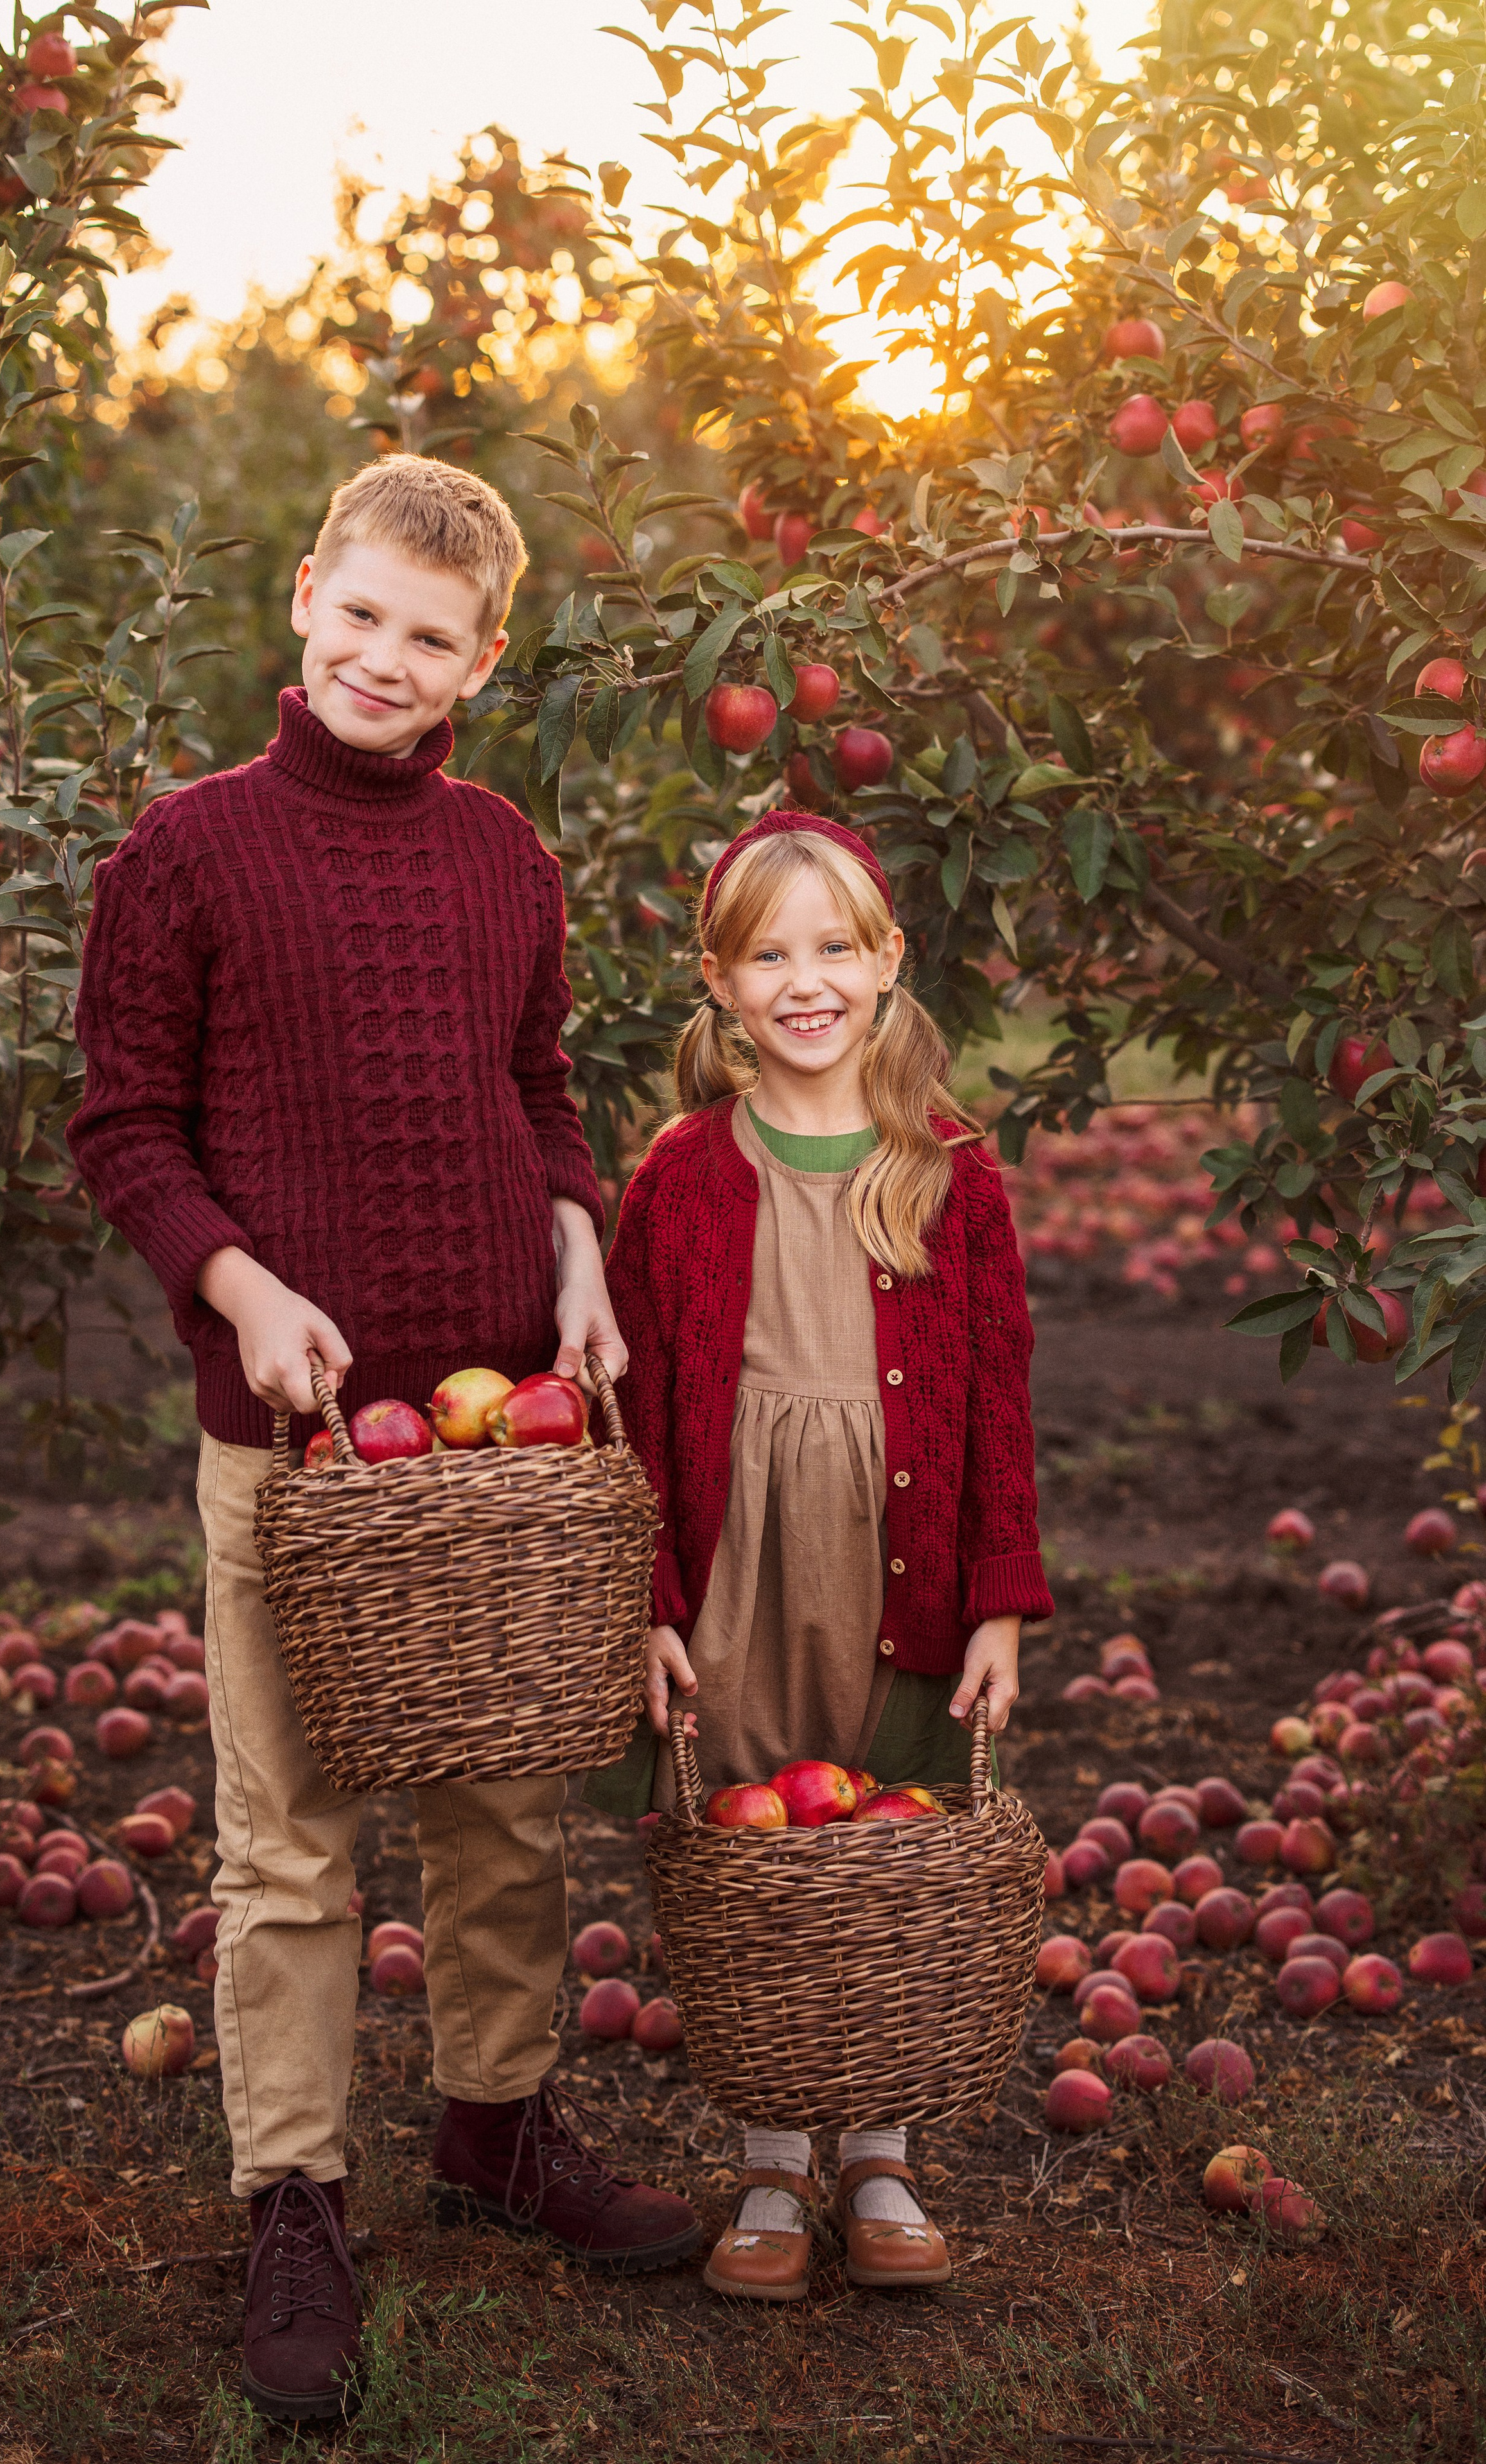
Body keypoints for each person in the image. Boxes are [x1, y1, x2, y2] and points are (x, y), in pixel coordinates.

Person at [68, 454, 700, 2425]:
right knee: (289, 1840)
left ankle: (499, 2127)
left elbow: (541, 1083)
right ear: (303, 601)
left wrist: (582, 1247)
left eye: (429, 638)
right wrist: (241, 1286)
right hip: (298, 1436)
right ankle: (294, 2186)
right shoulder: (186, 851)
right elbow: (125, 1122)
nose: (382, 657)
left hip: (499, 1429)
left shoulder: (508, 858)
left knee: (508, 1804)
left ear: (480, 663)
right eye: (358, 615)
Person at [593, 808, 1053, 2303]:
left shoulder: (946, 1172)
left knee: (884, 1827)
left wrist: (997, 1598)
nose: (806, 979)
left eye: (834, 946)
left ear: (885, 962)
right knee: (756, 1838)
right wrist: (649, 1602)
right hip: (738, 1554)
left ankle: (878, 2142)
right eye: (768, 952)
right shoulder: (678, 1175)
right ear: (719, 982)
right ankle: (775, 2153)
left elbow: (995, 1398)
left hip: (894, 1548)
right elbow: (638, 1414)